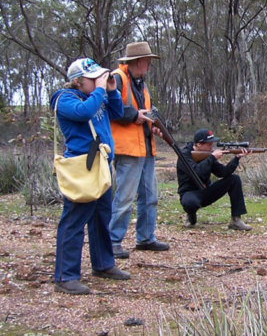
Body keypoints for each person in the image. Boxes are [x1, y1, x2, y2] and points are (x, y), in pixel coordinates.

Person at [50, 58, 129, 295]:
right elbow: (83, 113)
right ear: (78, 81)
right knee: (75, 218)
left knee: (101, 217)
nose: (99, 81)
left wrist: (112, 90)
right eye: (93, 77)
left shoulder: (97, 95)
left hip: (101, 165)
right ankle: (65, 275)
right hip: (82, 167)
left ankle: (103, 264)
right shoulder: (65, 98)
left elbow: (117, 112)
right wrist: (99, 89)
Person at [109, 42, 169, 259]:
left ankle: (145, 238)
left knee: (150, 196)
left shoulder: (140, 83)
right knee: (124, 198)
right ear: (138, 61)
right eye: (147, 62)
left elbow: (146, 111)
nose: (149, 66)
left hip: (145, 148)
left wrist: (154, 125)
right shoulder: (117, 78)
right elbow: (108, 107)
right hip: (128, 149)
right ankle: (113, 242)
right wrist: (134, 116)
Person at [177, 129, 253, 230]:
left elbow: (223, 172)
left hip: (206, 191)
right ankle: (191, 216)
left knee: (234, 179)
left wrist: (236, 158)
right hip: (189, 193)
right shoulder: (184, 155)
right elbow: (196, 172)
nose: (211, 147)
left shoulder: (207, 154)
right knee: (190, 203)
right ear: (199, 144)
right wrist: (212, 158)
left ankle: (236, 220)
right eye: (209, 144)